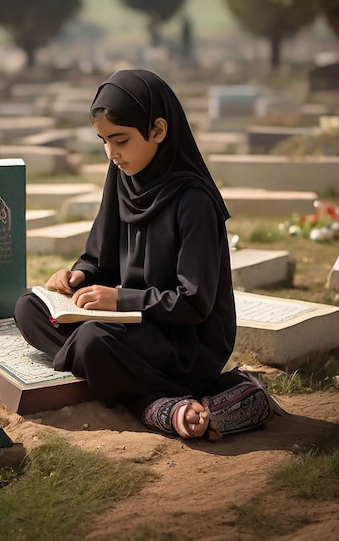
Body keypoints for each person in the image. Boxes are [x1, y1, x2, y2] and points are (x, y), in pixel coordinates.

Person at [15, 69, 276, 441]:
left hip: (185, 342)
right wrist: (78, 276)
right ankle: (133, 384)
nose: (112, 153)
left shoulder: (195, 202)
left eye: (120, 140)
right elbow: (98, 259)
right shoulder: (122, 176)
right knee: (29, 307)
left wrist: (120, 298)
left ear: (158, 130)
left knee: (93, 341)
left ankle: (159, 403)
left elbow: (195, 303)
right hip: (134, 325)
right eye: (103, 141)